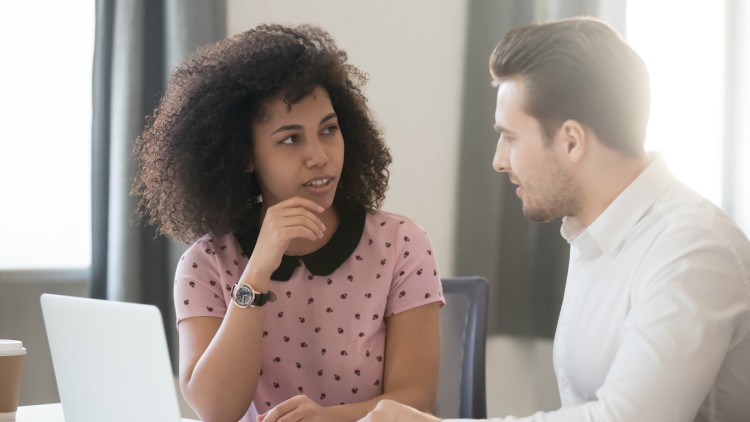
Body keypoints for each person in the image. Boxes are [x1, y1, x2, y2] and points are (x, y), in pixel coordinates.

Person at [360, 16, 750, 422]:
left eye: (510, 137)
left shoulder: (693, 251)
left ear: (571, 141)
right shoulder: (595, 234)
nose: (498, 160)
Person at [132, 24, 445, 422]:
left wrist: (327, 418)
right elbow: (216, 410)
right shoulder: (205, 264)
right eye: (290, 139)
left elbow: (415, 398)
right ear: (245, 156)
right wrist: (258, 267)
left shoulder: (401, 243)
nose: (319, 156)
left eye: (329, 130)